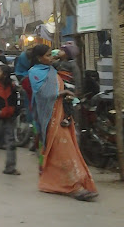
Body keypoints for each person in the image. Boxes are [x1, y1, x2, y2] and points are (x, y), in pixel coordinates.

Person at [28, 45, 98, 201]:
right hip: (50, 118)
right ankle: (74, 187)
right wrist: (63, 93)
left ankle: (61, 183)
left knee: (66, 150)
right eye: (47, 55)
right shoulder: (34, 72)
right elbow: (42, 94)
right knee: (64, 152)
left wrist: (68, 95)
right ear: (39, 58)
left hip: (62, 115)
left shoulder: (52, 69)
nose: (51, 57)